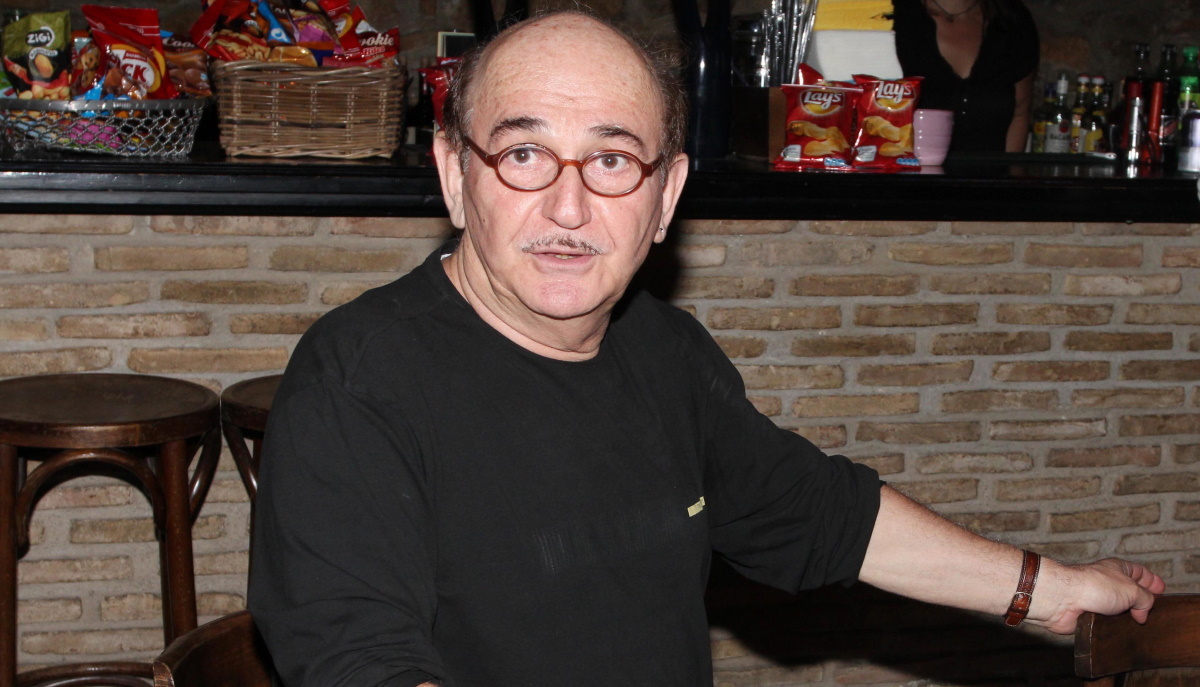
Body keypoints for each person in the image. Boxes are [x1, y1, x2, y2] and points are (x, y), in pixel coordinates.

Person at [247, 10, 1164, 687]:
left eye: (613, 161)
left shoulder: (663, 350)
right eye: (523, 154)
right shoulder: (357, 383)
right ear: (456, 176)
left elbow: (816, 511)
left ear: (667, 196)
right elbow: (359, 664)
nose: (568, 207)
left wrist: (1052, 589)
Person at [893, 0, 1039, 152]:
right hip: (903, 166)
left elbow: (1019, 113)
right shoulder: (890, 17)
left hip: (990, 167)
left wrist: (1010, 165)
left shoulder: (1012, 20)